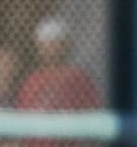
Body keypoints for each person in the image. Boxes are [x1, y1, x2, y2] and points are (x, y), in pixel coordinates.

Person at [16, 17, 99, 147]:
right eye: (45, 43)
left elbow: (93, 116)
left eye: (54, 42)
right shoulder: (32, 81)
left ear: (64, 45)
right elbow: (22, 119)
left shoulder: (77, 78)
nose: (49, 48)